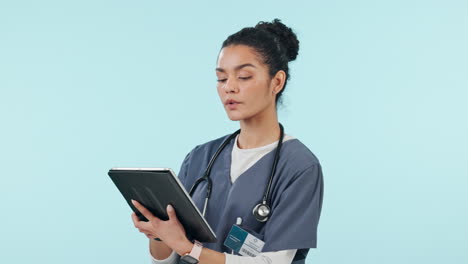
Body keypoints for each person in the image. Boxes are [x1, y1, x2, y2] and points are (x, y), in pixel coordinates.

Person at [130, 18, 324, 264]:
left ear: (277, 82)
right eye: (222, 79)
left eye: (243, 77)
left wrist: (188, 248)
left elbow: (275, 262)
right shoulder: (200, 158)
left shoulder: (299, 167)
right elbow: (167, 260)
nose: (229, 88)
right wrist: (158, 234)